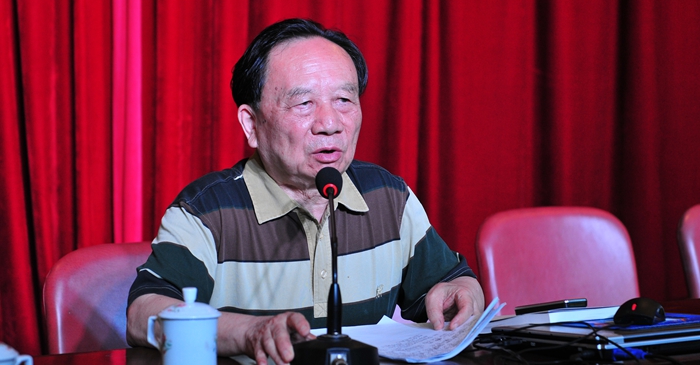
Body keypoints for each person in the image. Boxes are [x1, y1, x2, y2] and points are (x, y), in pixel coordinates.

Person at [126, 18, 484, 365]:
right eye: (304, 104)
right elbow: (143, 315)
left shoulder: (388, 197)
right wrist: (249, 332)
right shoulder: (207, 210)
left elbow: (452, 283)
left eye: (344, 100)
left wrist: (465, 294)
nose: (329, 124)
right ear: (251, 124)